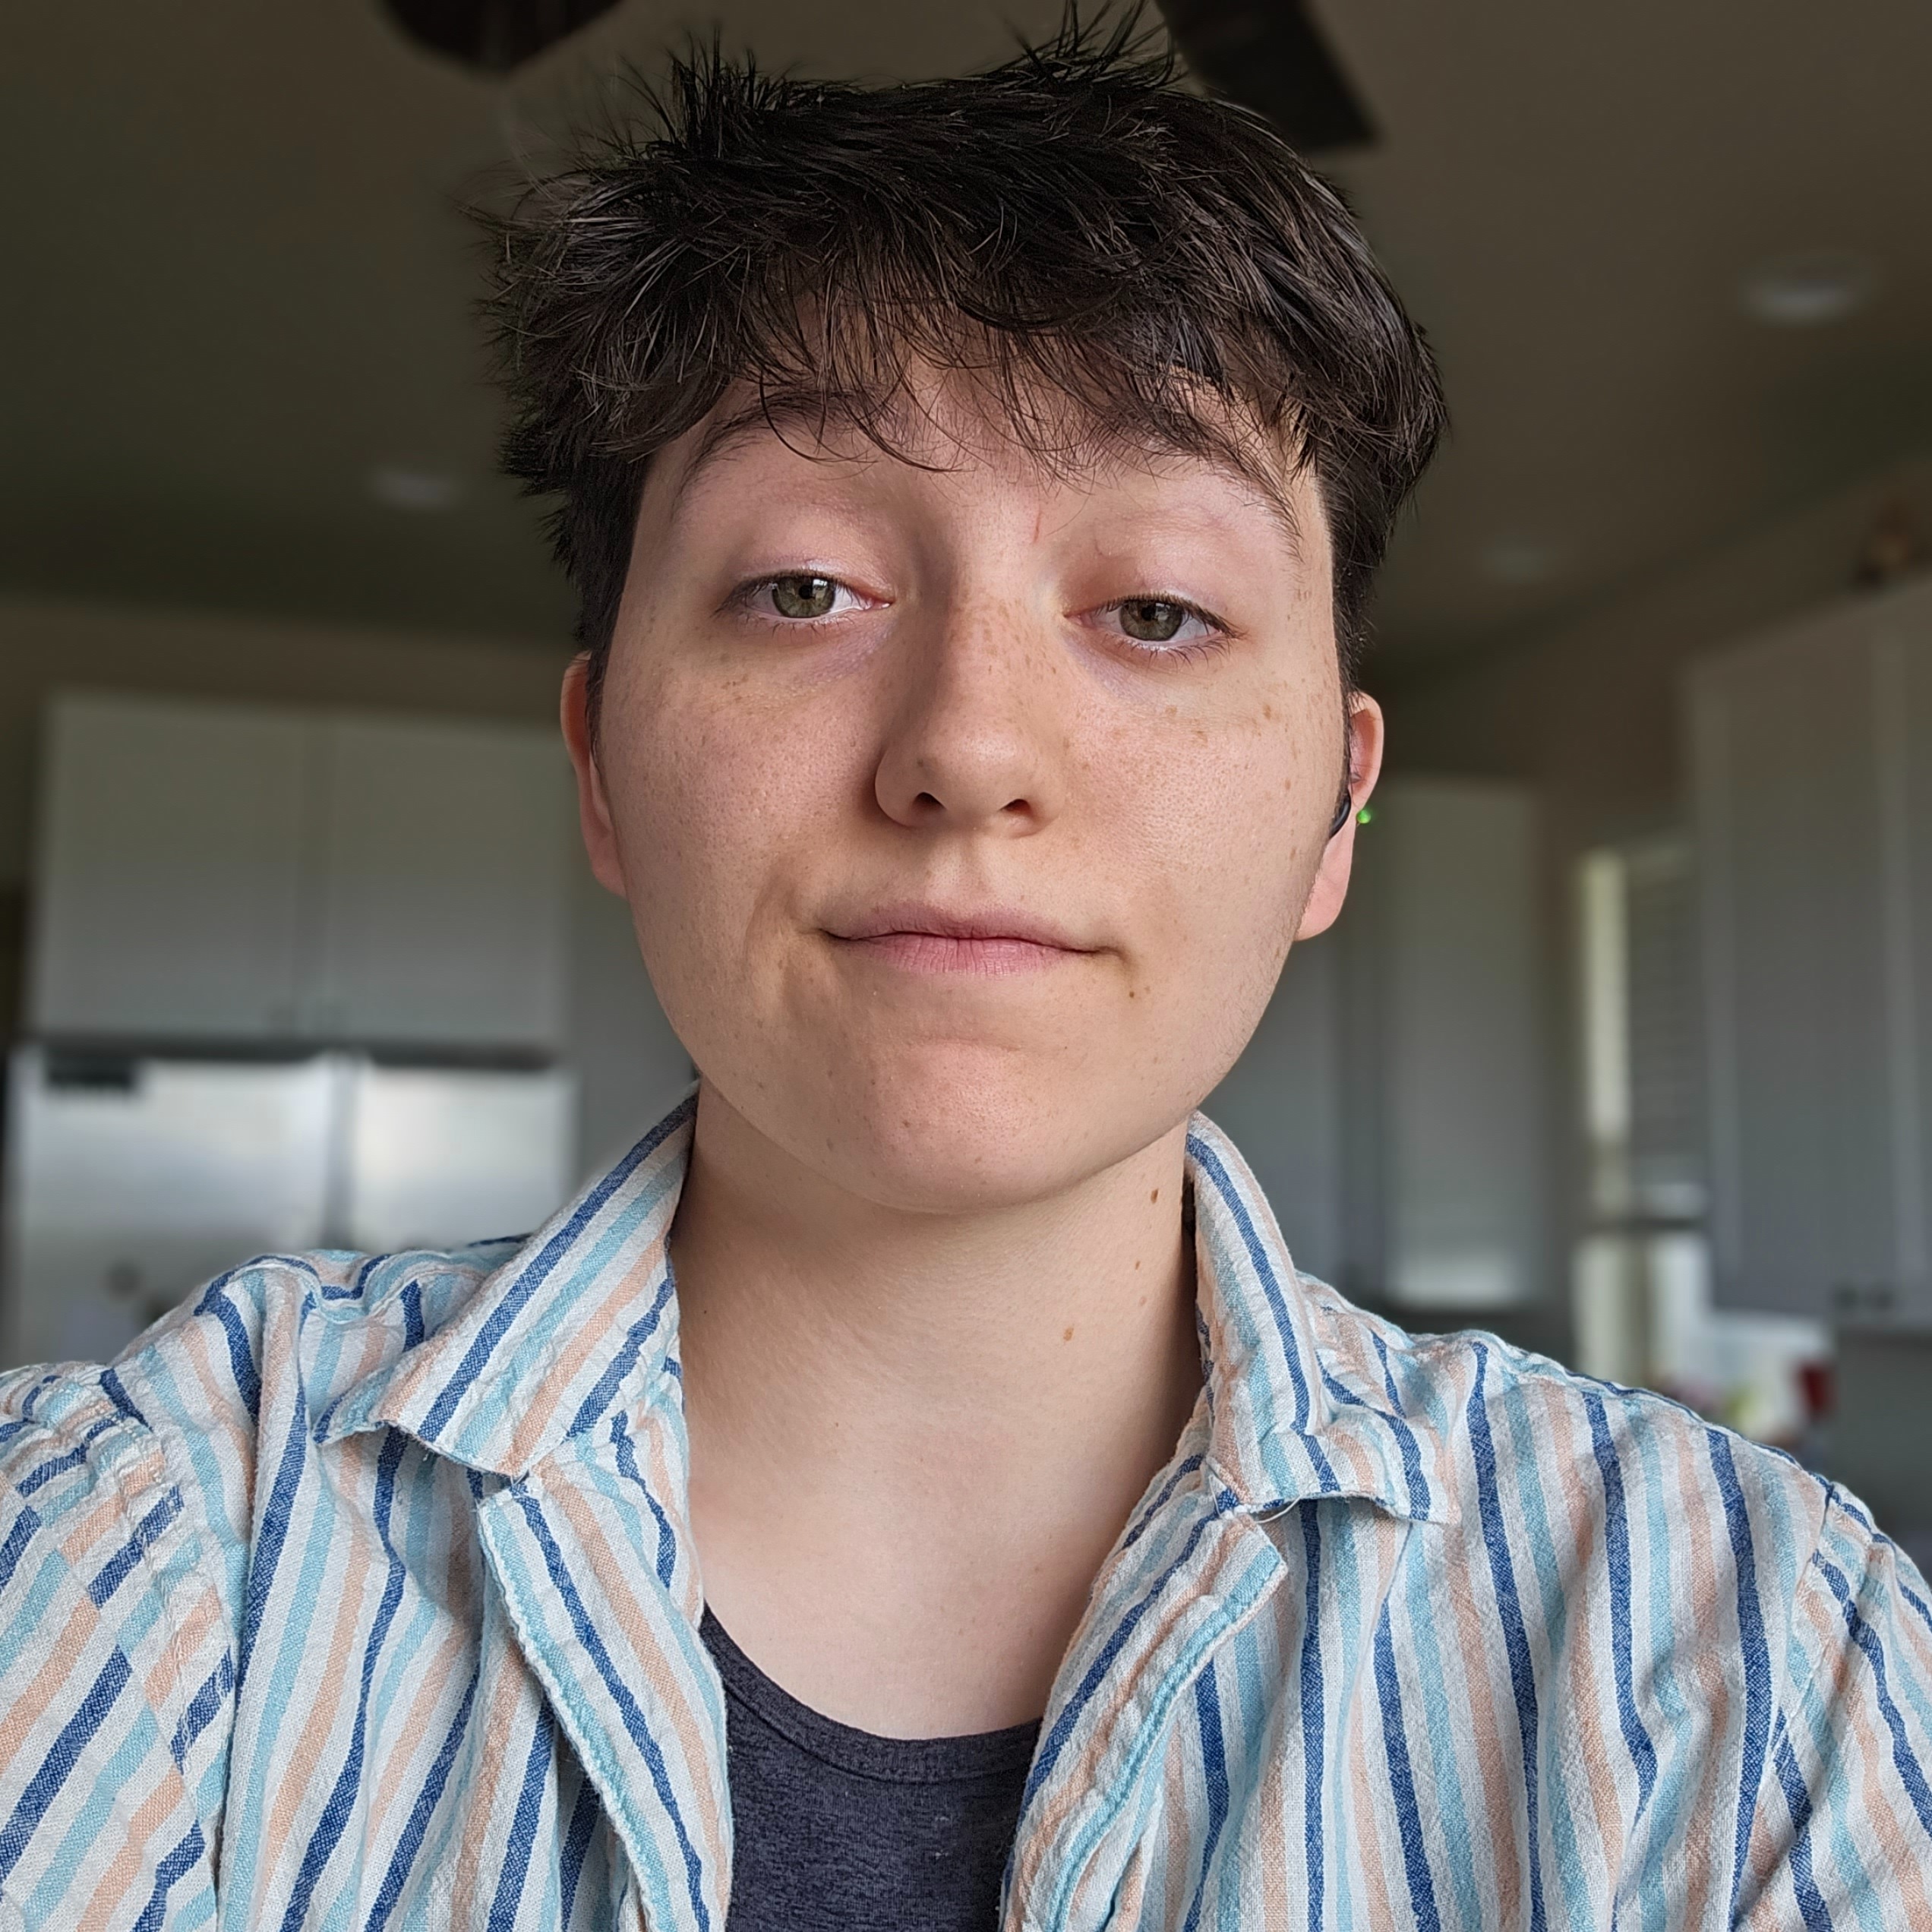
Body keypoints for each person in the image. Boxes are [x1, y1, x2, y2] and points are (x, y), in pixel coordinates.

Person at [2, 21, 1927, 1931]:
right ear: (602, 768)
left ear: (1336, 813)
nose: (967, 749)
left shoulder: (1746, 1665)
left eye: (1156, 609)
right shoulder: (138, 1549)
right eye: (803, 588)